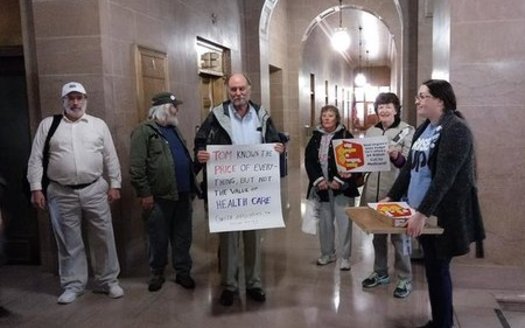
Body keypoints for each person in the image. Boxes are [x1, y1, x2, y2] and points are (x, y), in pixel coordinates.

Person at [384, 80, 485, 328]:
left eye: (422, 96)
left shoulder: (456, 130)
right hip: (422, 213)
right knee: (433, 270)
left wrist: (422, 213)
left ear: (440, 100)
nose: (417, 100)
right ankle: (440, 320)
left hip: (442, 216)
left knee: (439, 271)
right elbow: (408, 170)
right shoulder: (424, 128)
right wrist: (391, 197)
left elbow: (444, 180)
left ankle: (443, 324)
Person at [27, 82, 123, 304]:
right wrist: (35, 188)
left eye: (79, 98)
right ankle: (73, 284)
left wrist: (115, 184)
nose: (75, 102)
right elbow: (36, 158)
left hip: (95, 189)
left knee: (103, 236)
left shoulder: (98, 125)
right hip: (61, 192)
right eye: (70, 98)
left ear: (85, 99)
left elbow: (110, 156)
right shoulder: (48, 125)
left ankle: (108, 281)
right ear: (63, 101)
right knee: (68, 241)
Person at [194, 73, 284, 306]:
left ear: (250, 89)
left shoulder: (261, 115)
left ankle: (254, 283)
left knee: (253, 238)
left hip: (255, 188)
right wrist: (201, 153)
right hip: (228, 189)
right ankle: (229, 286)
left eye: (242, 88)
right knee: (228, 238)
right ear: (227, 90)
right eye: (233, 89)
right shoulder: (216, 115)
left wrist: (278, 149)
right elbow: (200, 141)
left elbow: (275, 141)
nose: (238, 93)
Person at [129, 92, 199, 292]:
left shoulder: (174, 130)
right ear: (163, 109)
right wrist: (145, 193)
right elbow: (136, 167)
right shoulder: (144, 132)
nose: (177, 110)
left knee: (183, 236)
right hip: (159, 197)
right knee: (157, 237)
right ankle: (156, 273)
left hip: (182, 194)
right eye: (173, 107)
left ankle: (183, 272)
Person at [360, 92, 415, 298]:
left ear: (396, 108)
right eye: (380, 106)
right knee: (377, 235)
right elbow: (365, 159)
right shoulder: (371, 131)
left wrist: (396, 156)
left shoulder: (407, 130)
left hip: (396, 191)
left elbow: (409, 163)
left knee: (399, 238)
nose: (383, 110)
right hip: (373, 189)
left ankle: (404, 278)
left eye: (388, 106)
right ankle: (380, 272)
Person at [304, 105, 361, 271]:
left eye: (330, 116)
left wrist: (338, 180)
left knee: (344, 224)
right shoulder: (315, 137)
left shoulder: (345, 135)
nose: (327, 118)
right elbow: (309, 160)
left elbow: (352, 160)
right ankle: (327, 253)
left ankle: (345, 257)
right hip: (321, 188)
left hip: (342, 187)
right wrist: (318, 180)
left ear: (337, 118)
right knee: (325, 224)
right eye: (324, 116)